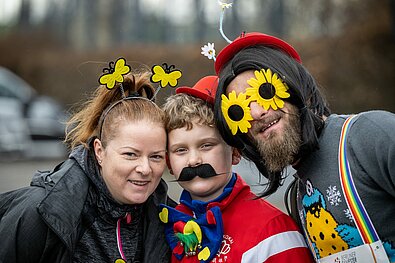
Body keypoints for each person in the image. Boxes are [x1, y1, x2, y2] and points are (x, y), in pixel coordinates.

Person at [212, 32, 395, 262]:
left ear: (294, 85)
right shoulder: (297, 198)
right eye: (239, 110)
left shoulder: (369, 136)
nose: (257, 112)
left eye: (264, 92)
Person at [0, 61, 176, 262]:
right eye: (130, 154)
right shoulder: (40, 213)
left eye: (156, 156)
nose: (145, 169)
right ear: (99, 151)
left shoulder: (171, 219)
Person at [159, 75, 313, 262]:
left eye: (206, 145)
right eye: (180, 150)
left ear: (235, 153)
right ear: (168, 162)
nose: (194, 160)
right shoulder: (164, 225)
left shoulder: (274, 231)